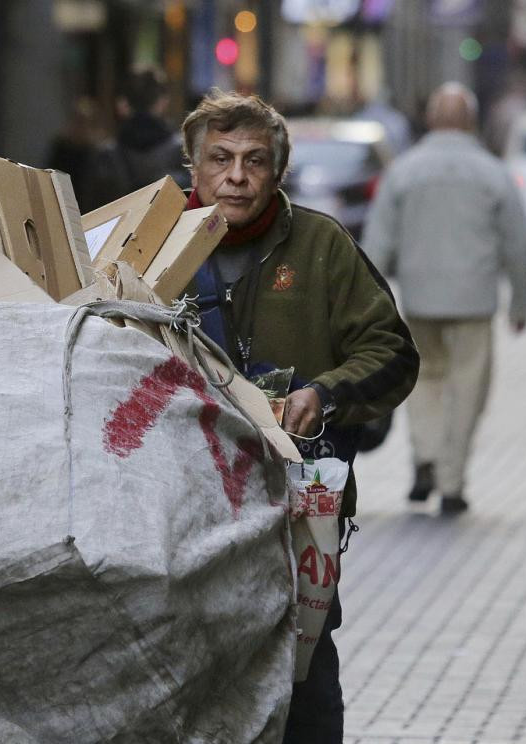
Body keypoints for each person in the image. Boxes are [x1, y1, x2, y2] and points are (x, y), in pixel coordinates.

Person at [180, 89, 419, 742]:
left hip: (297, 514)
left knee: (305, 677)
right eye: (220, 159)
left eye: (255, 161)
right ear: (193, 170)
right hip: (183, 518)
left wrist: (326, 393)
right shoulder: (150, 250)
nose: (237, 177)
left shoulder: (322, 245)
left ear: (278, 170)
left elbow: (394, 352)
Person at [362, 82, 526, 516]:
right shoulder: (493, 172)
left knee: (424, 380)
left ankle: (426, 456)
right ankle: (452, 480)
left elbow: (377, 245)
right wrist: (519, 303)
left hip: (418, 299)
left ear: (430, 119)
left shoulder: (403, 171)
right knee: (468, 387)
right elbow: (518, 244)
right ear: (471, 121)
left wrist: (365, 307)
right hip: (474, 300)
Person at [84, 65, 190, 211]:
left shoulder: (106, 155)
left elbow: (91, 210)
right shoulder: (182, 150)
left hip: (120, 232)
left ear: (124, 103)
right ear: (163, 101)